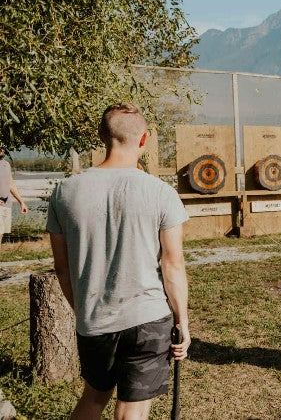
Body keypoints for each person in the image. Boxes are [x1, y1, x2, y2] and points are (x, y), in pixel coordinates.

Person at [47, 103, 191, 419]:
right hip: (148, 318)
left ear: (102, 136)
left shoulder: (64, 192)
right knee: (133, 409)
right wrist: (182, 320)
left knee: (95, 396)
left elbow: (62, 266)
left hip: (94, 319)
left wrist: (84, 310)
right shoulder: (162, 193)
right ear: (144, 140)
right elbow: (172, 264)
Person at [0, 145, 29, 245]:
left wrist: (22, 202)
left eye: (2, 147)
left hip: (6, 204)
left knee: (1, 234)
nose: (1, 149)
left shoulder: (6, 165)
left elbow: (11, 185)